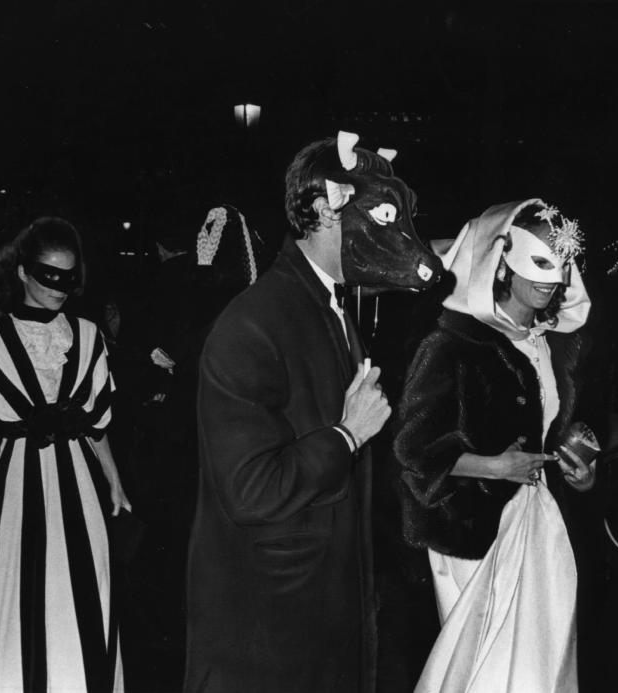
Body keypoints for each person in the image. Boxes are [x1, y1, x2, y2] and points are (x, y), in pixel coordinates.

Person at [184, 132, 440, 693]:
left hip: (324, 609)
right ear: (325, 209)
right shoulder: (251, 325)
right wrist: (346, 436)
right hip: (268, 624)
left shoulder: (330, 308)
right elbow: (251, 489)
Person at [394, 199, 600, 692]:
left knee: (539, 663)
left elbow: (551, 432)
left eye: (561, 263)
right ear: (503, 259)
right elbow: (412, 451)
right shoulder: (454, 342)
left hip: (538, 522)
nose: (552, 279)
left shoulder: (553, 342)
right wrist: (492, 467)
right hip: (472, 530)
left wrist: (581, 473)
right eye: (539, 263)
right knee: (477, 669)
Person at [0, 217, 131, 692]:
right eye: (48, 276)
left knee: (82, 594)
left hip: (79, 488)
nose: (61, 288)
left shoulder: (87, 335)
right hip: (13, 487)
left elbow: (97, 422)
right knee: (15, 592)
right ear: (21, 272)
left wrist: (115, 481)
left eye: (69, 276)